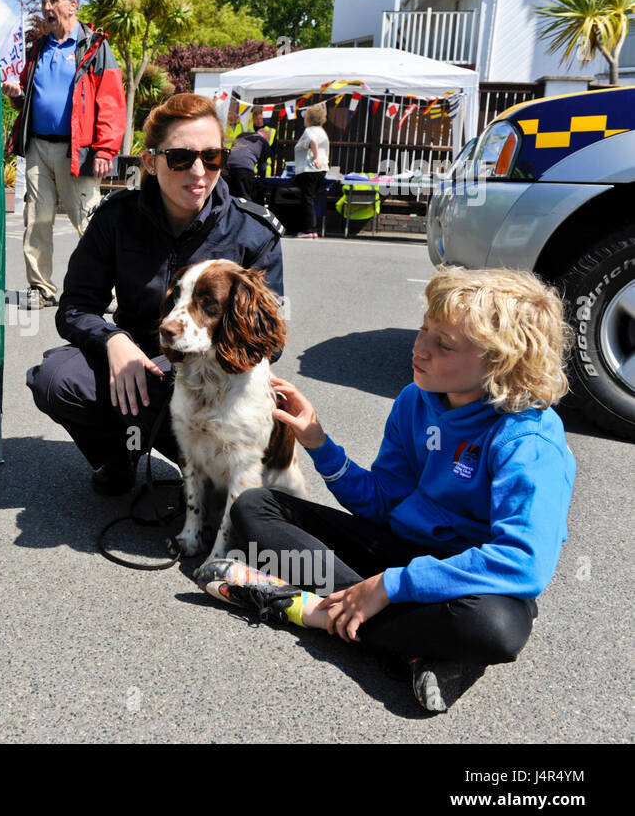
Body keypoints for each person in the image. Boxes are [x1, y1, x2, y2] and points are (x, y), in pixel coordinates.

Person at [197, 267, 576, 713]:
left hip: (466, 581)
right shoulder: (415, 401)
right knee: (256, 506)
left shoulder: (528, 440)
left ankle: (304, 610)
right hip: (398, 553)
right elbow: (382, 503)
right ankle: (411, 644)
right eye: (423, 330)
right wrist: (319, 443)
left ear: (502, 362)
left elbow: (524, 562)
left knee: (497, 629)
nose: (420, 349)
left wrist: (392, 586)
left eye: (444, 344)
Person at [26, 93, 284, 495]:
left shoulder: (253, 232)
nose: (199, 171)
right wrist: (114, 340)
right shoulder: (117, 217)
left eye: (212, 156)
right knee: (57, 379)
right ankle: (119, 455)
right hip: (131, 364)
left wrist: (188, 363)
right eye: (181, 157)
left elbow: (269, 339)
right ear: (150, 161)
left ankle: (209, 475)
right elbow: (75, 306)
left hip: (212, 378)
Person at [2, 0, 126, 310]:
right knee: (36, 220)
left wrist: (105, 149)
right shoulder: (38, 48)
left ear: (73, 5)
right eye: (43, 1)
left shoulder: (96, 47)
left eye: (53, 1)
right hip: (38, 147)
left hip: (79, 149)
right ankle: (41, 288)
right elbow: (30, 96)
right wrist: (18, 95)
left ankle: (111, 289)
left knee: (89, 221)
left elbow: (112, 102)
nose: (46, 8)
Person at [292, 103, 330, 238]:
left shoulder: (310, 131)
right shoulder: (322, 131)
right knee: (311, 199)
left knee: (307, 200)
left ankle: (309, 230)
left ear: (309, 119)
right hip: (321, 170)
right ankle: (311, 229)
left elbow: (313, 142)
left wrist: (315, 157)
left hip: (309, 169)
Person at [225, 116, 272, 201]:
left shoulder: (242, 135)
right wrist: (261, 177)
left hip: (227, 167)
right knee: (244, 199)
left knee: (229, 197)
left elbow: (234, 149)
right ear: (267, 138)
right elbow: (262, 166)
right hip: (244, 169)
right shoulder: (264, 142)